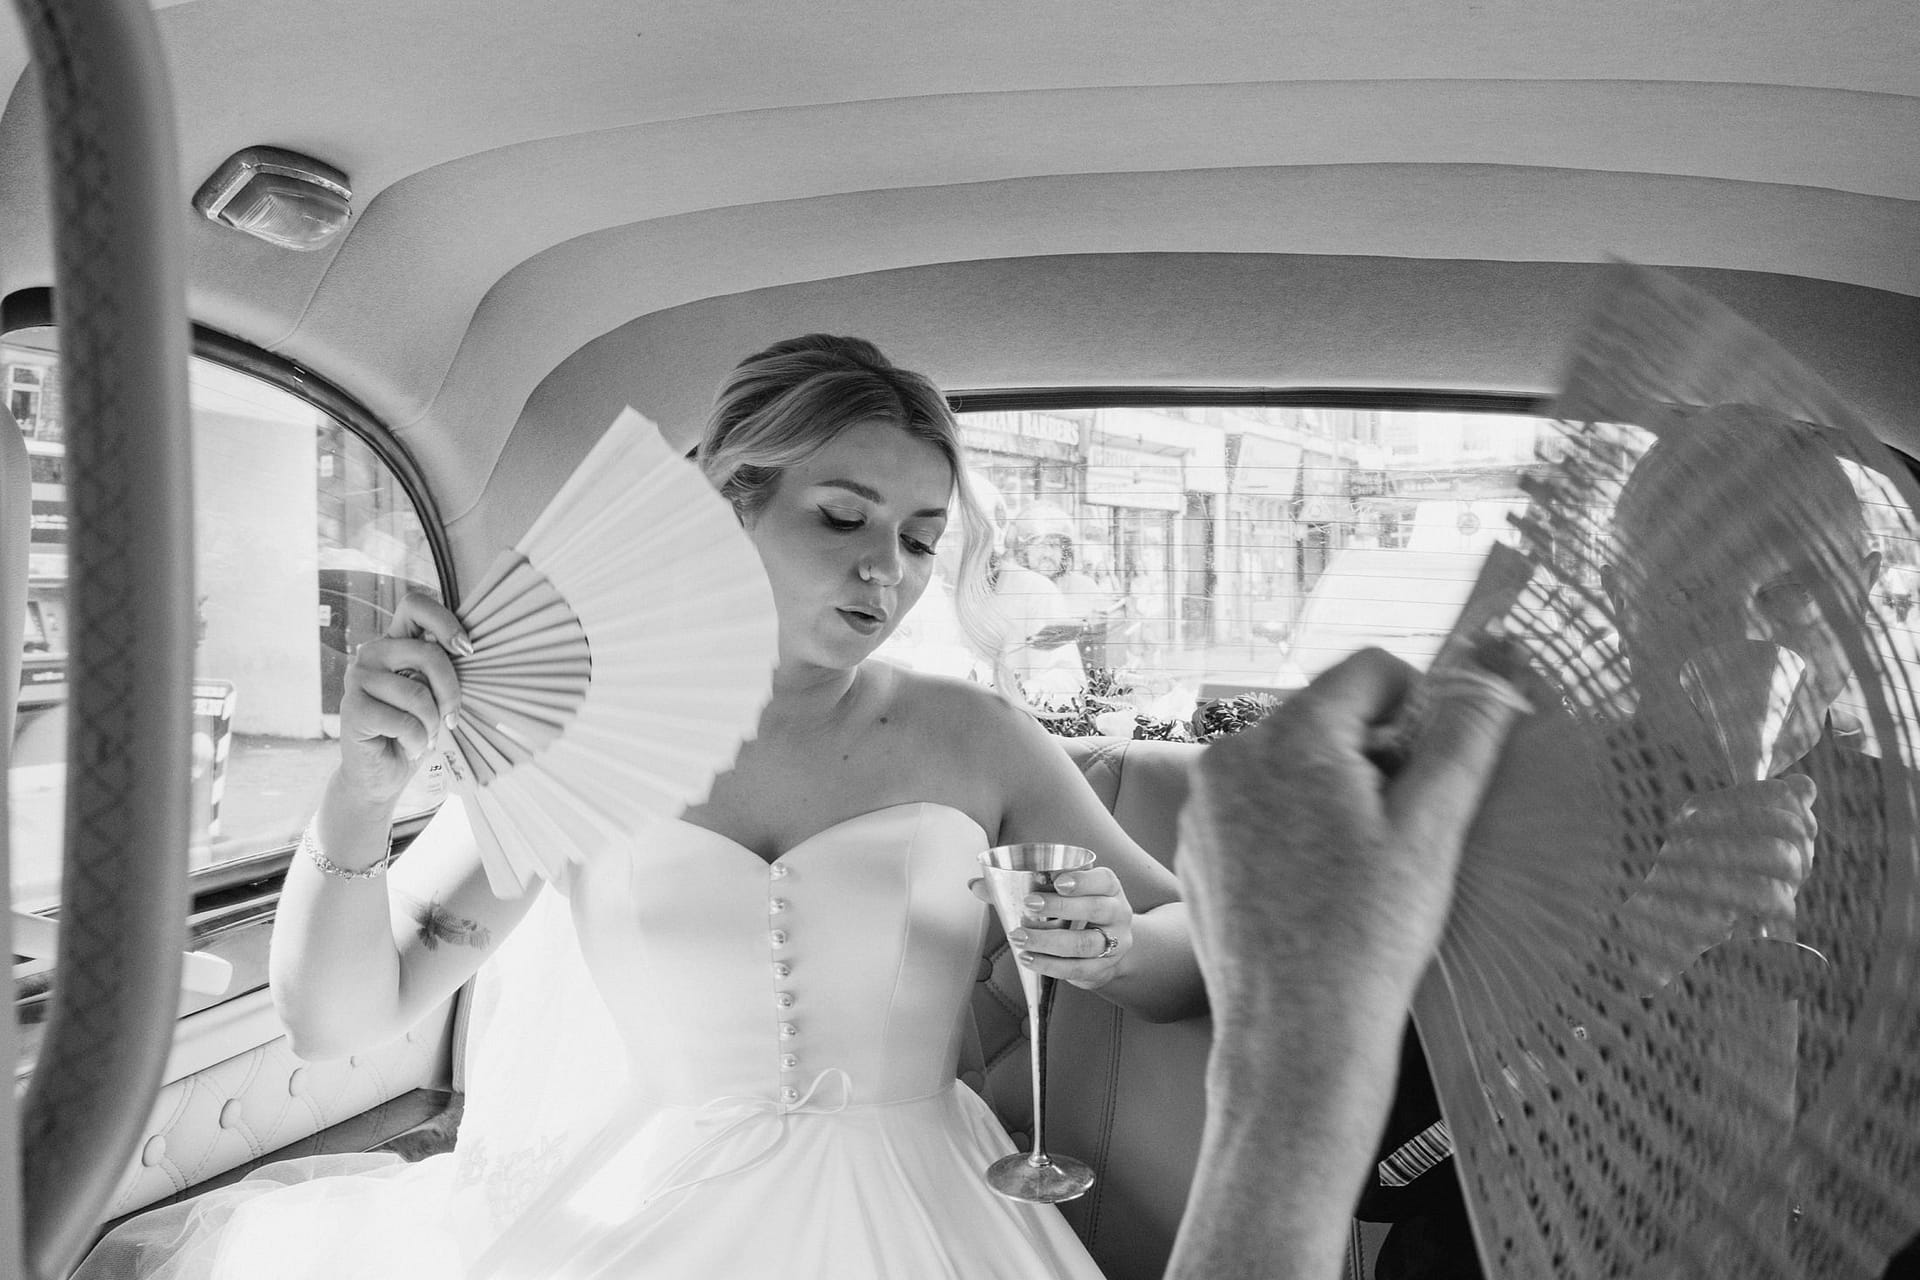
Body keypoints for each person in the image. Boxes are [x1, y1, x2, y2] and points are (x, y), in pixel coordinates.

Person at [75, 334, 1206, 1280]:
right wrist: (363, 792)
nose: (887, 572)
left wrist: (1111, 946)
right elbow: (336, 1022)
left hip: (931, 1206)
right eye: (842, 518)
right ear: (731, 507)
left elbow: (1196, 948)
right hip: (646, 1206)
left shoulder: (975, 734)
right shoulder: (577, 727)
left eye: (917, 538)